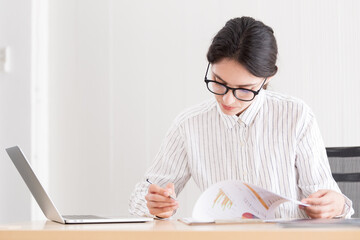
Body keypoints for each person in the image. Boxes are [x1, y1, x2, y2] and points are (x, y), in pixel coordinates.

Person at [129, 16, 354, 219]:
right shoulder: (189, 125)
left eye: (244, 89)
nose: (228, 100)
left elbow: (329, 199)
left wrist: (335, 204)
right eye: (218, 82)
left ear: (267, 78)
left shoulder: (296, 116)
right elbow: (143, 196)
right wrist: (154, 205)